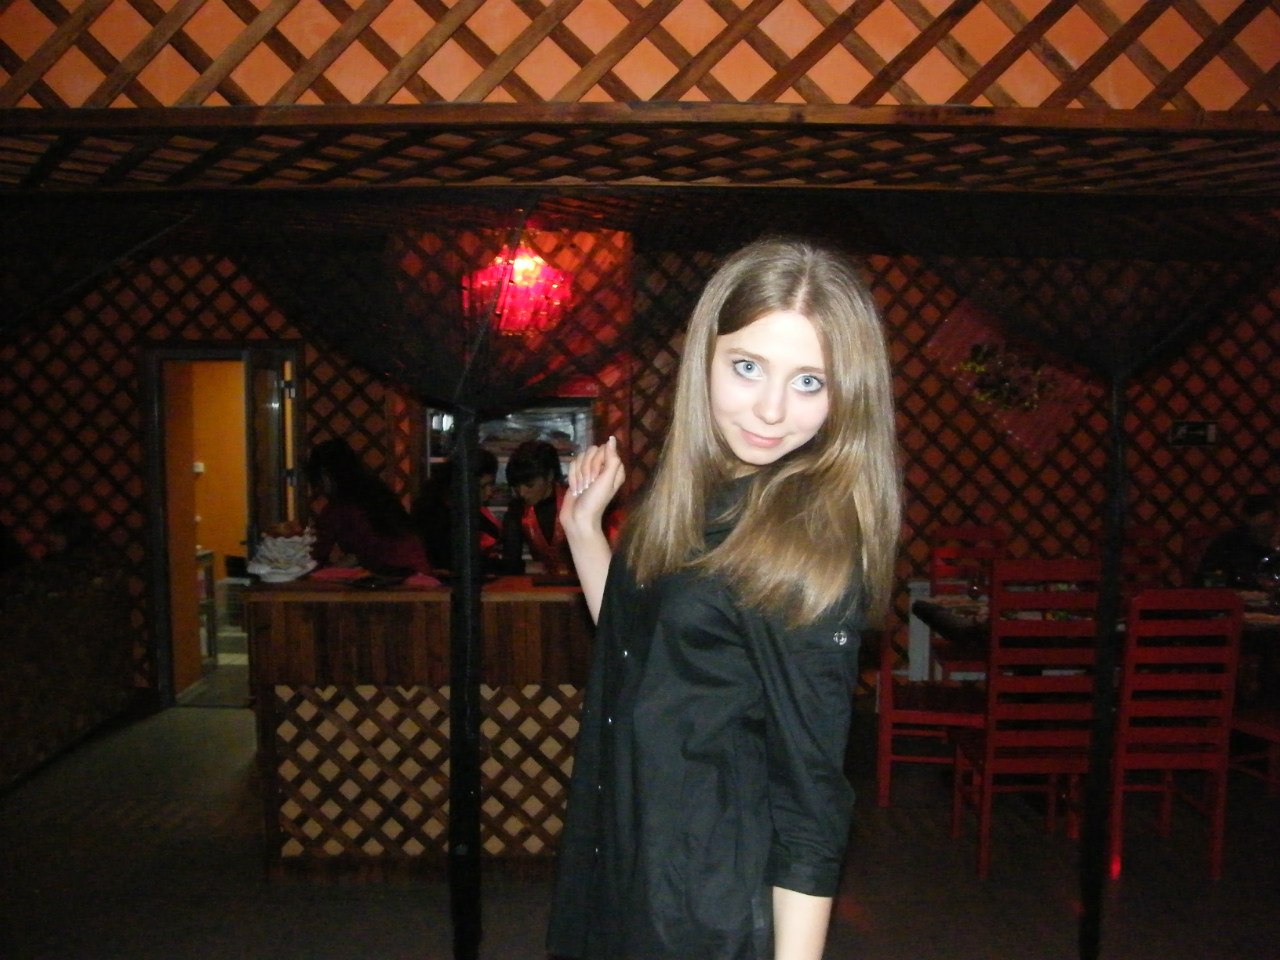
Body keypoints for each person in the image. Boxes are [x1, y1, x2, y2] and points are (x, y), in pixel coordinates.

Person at [546, 237, 901, 960]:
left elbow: (811, 800)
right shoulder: (702, 494)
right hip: (632, 855)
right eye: (748, 367)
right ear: (705, 357)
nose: (770, 410)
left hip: (705, 904)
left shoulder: (807, 544)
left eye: (810, 382)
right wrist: (584, 531)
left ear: (848, 395)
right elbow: (646, 654)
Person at [306, 438, 431, 575]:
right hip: (419, 570)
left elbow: (315, 555)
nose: (319, 488)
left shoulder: (339, 509)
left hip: (393, 576)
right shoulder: (379, 493)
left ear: (325, 475)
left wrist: (322, 574)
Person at [411, 448, 503, 574]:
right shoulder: (435, 515)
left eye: (491, 485)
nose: (489, 493)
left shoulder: (471, 510)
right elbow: (456, 562)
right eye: (482, 487)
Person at [500, 439, 573, 576]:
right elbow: (510, 562)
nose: (522, 492)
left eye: (530, 485)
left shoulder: (573, 501)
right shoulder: (517, 510)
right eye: (516, 486)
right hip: (541, 583)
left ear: (550, 476)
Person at [1196, 492, 1279, 588]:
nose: (1262, 533)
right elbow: (1209, 580)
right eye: (1257, 528)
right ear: (1247, 521)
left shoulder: (1276, 545)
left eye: (1267, 527)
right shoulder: (1228, 544)